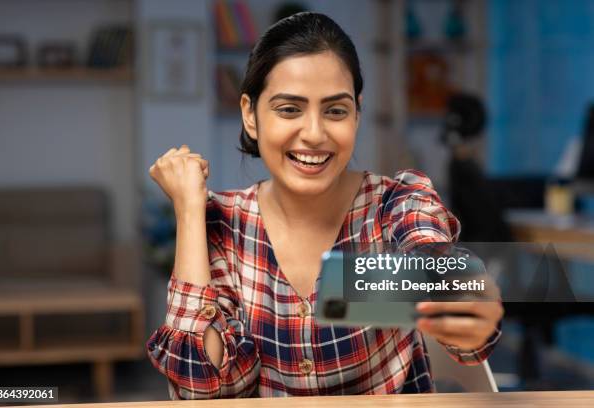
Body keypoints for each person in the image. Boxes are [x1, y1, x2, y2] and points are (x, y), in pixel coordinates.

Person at [146, 12, 503, 399]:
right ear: (250, 115)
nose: (315, 134)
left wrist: (469, 296)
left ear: (357, 113)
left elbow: (435, 259)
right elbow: (201, 390)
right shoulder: (222, 224)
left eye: (335, 110)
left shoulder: (395, 202)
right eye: (289, 109)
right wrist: (188, 210)